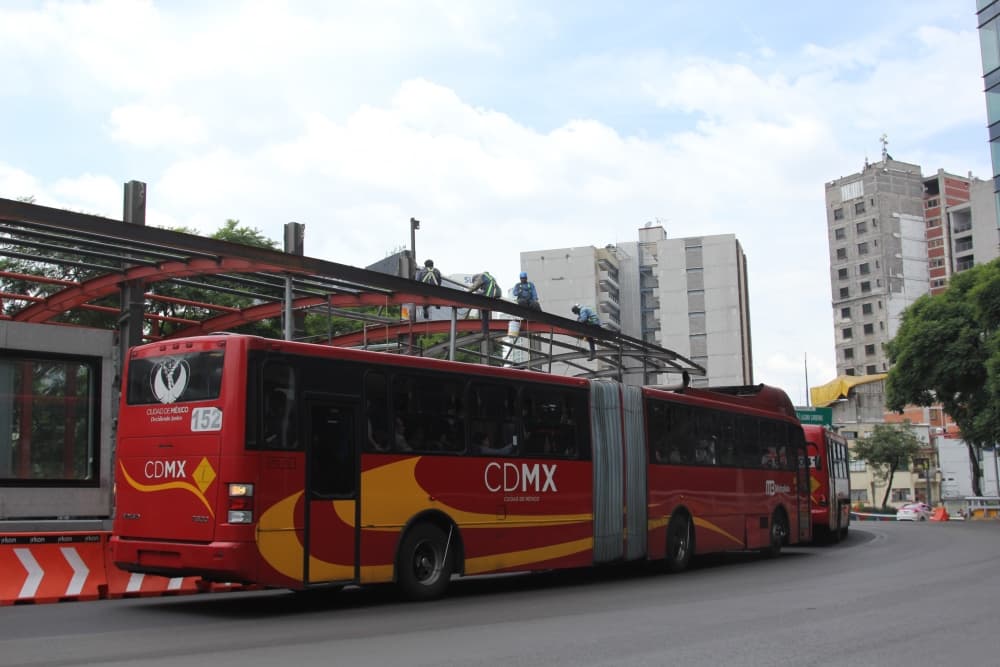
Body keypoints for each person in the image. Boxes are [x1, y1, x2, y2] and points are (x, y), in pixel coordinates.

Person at [467, 271, 502, 337]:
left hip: (489, 295)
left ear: (475, 279)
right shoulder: (489, 278)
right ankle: (485, 332)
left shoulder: (481, 276)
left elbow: (475, 286)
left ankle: (484, 331)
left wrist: (467, 292)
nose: (481, 288)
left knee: (477, 296)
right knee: (484, 313)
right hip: (495, 294)